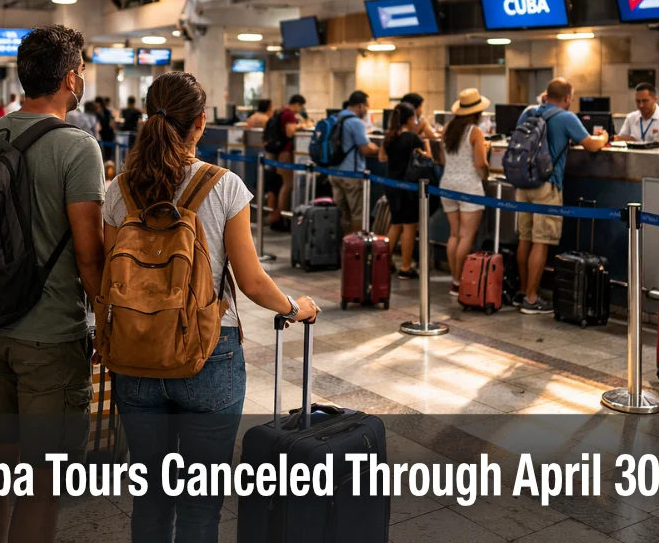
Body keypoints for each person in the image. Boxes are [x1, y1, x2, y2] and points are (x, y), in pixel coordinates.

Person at [103, 71, 319, 542]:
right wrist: (294, 307)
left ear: (148, 118)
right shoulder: (224, 186)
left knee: (151, 497)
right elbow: (251, 280)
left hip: (135, 356)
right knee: (200, 507)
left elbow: (107, 277)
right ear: (200, 123)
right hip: (209, 355)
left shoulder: (118, 190)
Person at [0, 26, 106, 543]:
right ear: (71, 79)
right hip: (49, 336)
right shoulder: (77, 147)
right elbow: (89, 257)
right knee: (44, 482)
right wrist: (108, 324)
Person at [516, 78, 609, 314]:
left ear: (546, 94)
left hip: (523, 182)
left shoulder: (528, 112)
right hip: (547, 186)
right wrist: (604, 137)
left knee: (525, 238)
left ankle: (522, 292)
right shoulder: (566, 117)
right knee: (541, 240)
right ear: (568, 98)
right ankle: (532, 298)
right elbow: (591, 145)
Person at [439, 89, 490, 296]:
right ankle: (460, 282)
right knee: (466, 236)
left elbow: (443, 160)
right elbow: (480, 163)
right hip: (469, 186)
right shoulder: (474, 131)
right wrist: (485, 172)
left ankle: (455, 280)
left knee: (454, 234)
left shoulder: (447, 129)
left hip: (447, 184)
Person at [379, 101, 434, 279]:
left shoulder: (389, 137)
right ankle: (405, 267)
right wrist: (425, 142)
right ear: (410, 119)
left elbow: (381, 157)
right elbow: (429, 158)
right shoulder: (412, 138)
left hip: (391, 185)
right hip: (407, 186)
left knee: (396, 224)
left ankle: (382, 263)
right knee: (409, 226)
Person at [330, 91, 379, 233]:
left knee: (342, 214)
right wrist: (378, 150)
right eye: (367, 106)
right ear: (360, 105)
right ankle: (355, 251)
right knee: (358, 214)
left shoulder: (336, 117)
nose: (367, 109)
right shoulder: (356, 122)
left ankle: (343, 248)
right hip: (352, 174)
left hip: (334, 172)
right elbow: (366, 149)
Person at [266, 95, 308, 231]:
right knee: (287, 185)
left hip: (277, 152)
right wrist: (302, 125)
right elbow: (290, 133)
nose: (301, 110)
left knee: (278, 186)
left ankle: (276, 217)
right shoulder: (289, 114)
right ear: (297, 104)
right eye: (301, 107)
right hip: (285, 152)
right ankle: (282, 218)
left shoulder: (280, 111)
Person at [615, 83, 659, 147]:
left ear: (655, 99)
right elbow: (620, 140)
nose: (641, 105)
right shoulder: (631, 118)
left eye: (645, 101)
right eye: (638, 101)